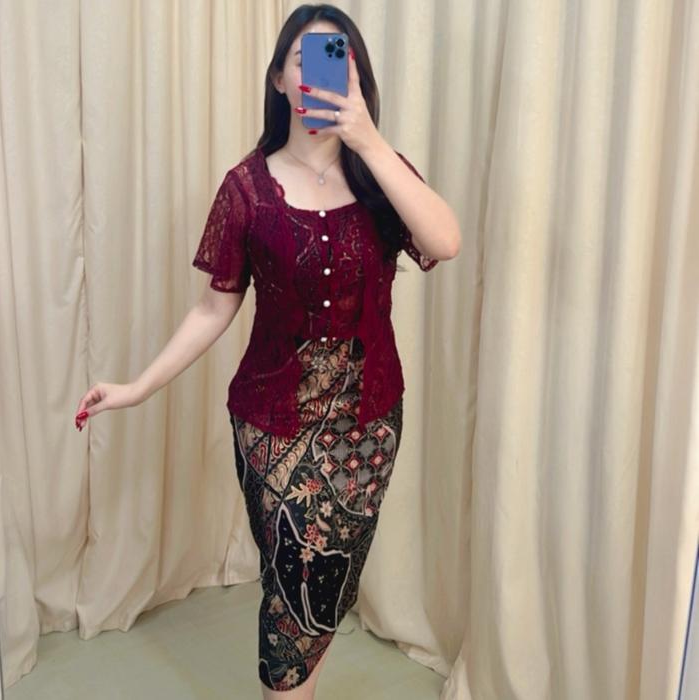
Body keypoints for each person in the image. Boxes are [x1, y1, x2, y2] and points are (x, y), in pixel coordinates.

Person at [74, 3, 460, 698]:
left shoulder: (382, 176)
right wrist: (137, 387)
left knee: (323, 591)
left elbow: (445, 242)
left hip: (369, 425)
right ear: (279, 77)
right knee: (291, 595)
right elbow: (214, 306)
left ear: (356, 76)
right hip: (272, 425)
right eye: (304, 59)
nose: (319, 74)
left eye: (338, 58)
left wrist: (369, 141)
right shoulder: (246, 189)